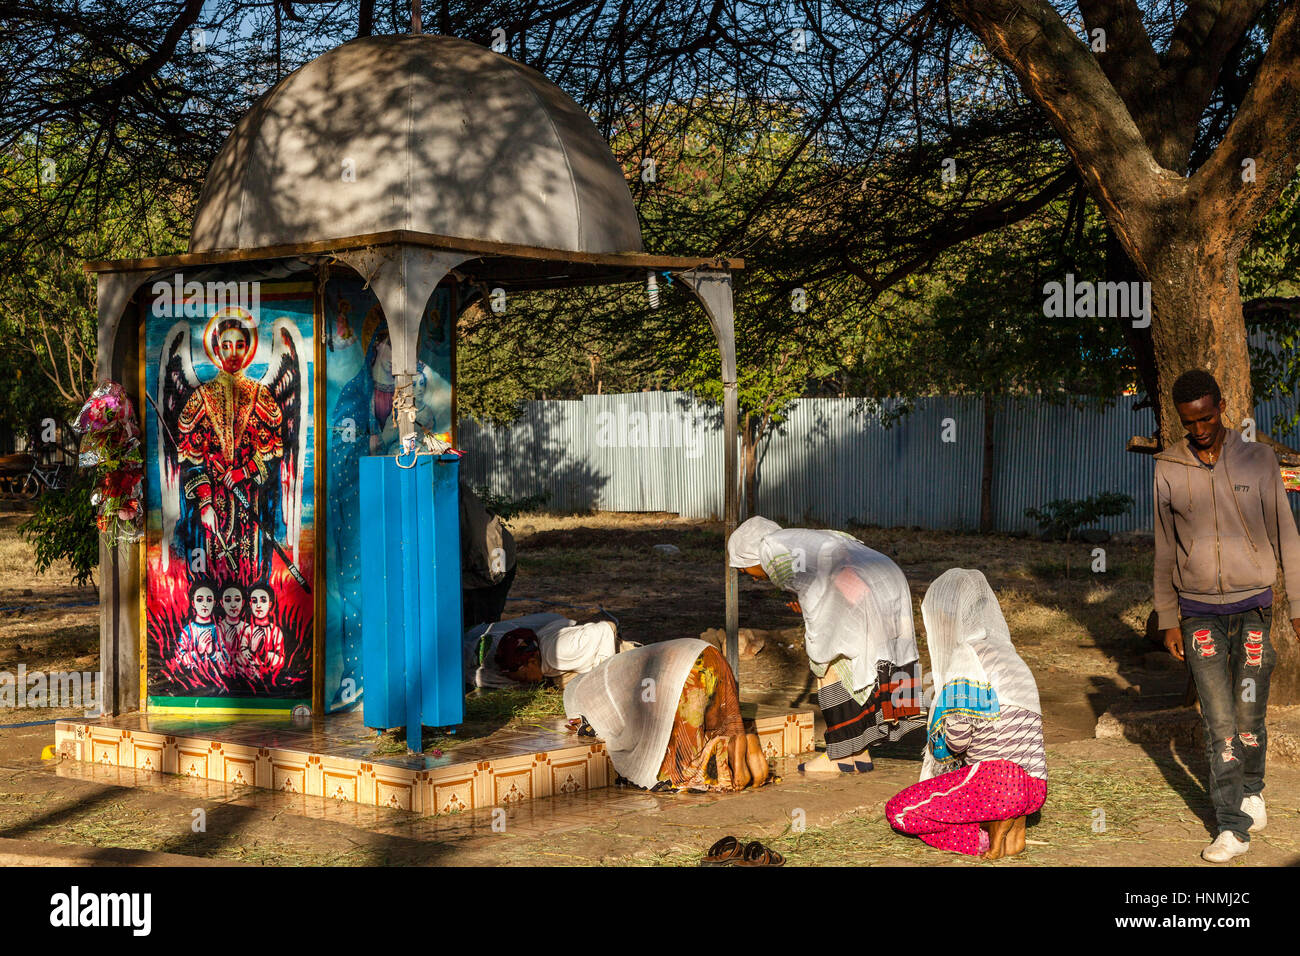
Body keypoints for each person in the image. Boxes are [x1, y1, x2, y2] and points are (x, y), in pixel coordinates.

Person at [1153, 369, 1300, 863]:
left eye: (1207, 417)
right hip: (1198, 613)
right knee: (1219, 722)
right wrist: (1167, 615)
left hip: (1254, 608)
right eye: (1189, 422)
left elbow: (1286, 535)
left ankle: (1253, 788)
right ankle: (1232, 827)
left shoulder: (1258, 458)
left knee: (1248, 713)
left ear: (1221, 405)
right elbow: (1164, 546)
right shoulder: (1168, 465)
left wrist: (1298, 606)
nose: (1200, 430)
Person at [727, 516, 925, 773]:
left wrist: (817, 632)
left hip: (869, 584)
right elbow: (829, 576)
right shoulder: (794, 540)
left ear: (749, 554)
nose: (752, 578)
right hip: (884, 579)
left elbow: (818, 591)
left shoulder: (770, 551)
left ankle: (840, 755)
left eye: (744, 570)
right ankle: (858, 752)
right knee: (859, 659)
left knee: (826, 661)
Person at [886, 568, 1046, 859]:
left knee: (899, 812)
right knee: (979, 790)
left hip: (998, 782)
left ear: (951, 617)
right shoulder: (1009, 654)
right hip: (1035, 785)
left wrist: (939, 726)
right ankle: (1015, 818)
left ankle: (986, 834)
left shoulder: (967, 659)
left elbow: (958, 743)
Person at [564, 638, 769, 792]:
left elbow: (626, 726)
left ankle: (726, 751)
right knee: (713, 726)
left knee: (677, 763)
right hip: (708, 653)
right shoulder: (614, 667)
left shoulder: (590, 694)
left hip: (681, 673)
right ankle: (737, 741)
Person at [464, 612, 620, 688]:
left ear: (531, 661)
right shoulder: (542, 661)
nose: (523, 682)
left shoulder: (559, 651)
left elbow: (607, 628)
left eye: (523, 677)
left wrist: (604, 678)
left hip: (620, 655)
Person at [460, 481, 517, 629]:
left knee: (482, 630)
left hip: (493, 566)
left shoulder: (484, 544)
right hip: (477, 562)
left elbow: (494, 575)